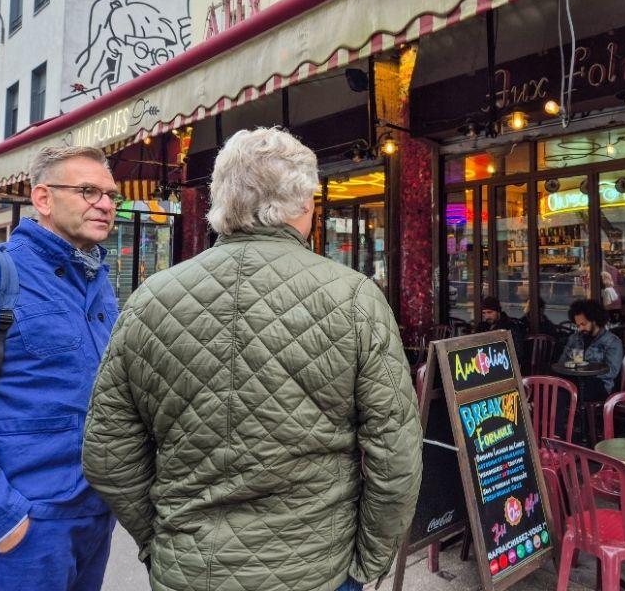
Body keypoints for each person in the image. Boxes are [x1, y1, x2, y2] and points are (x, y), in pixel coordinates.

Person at [82, 128, 422, 591]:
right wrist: (368, 562)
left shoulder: (149, 301)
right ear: (305, 204)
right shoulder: (356, 298)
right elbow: (395, 456)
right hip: (316, 570)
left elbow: (108, 455)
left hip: (189, 568)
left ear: (222, 200)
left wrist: (162, 538)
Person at [0, 146, 121, 590]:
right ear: (43, 199)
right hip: (27, 523)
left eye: (111, 195)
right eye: (88, 190)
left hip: (93, 515)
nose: (106, 204)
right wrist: (2, 517)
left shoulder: (98, 285)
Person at [559, 299, 624, 401]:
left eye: (583, 324)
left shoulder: (612, 342)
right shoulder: (574, 338)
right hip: (575, 380)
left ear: (595, 320)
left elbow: (612, 371)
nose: (580, 329)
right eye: (577, 325)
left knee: (564, 392)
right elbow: (562, 362)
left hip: (599, 385)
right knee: (554, 385)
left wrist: (584, 372)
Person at [477, 295, 528, 366]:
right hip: (485, 364)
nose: (487, 316)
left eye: (490, 312)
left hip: (504, 364)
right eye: (484, 313)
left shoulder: (510, 326)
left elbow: (518, 353)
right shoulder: (483, 326)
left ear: (498, 312)